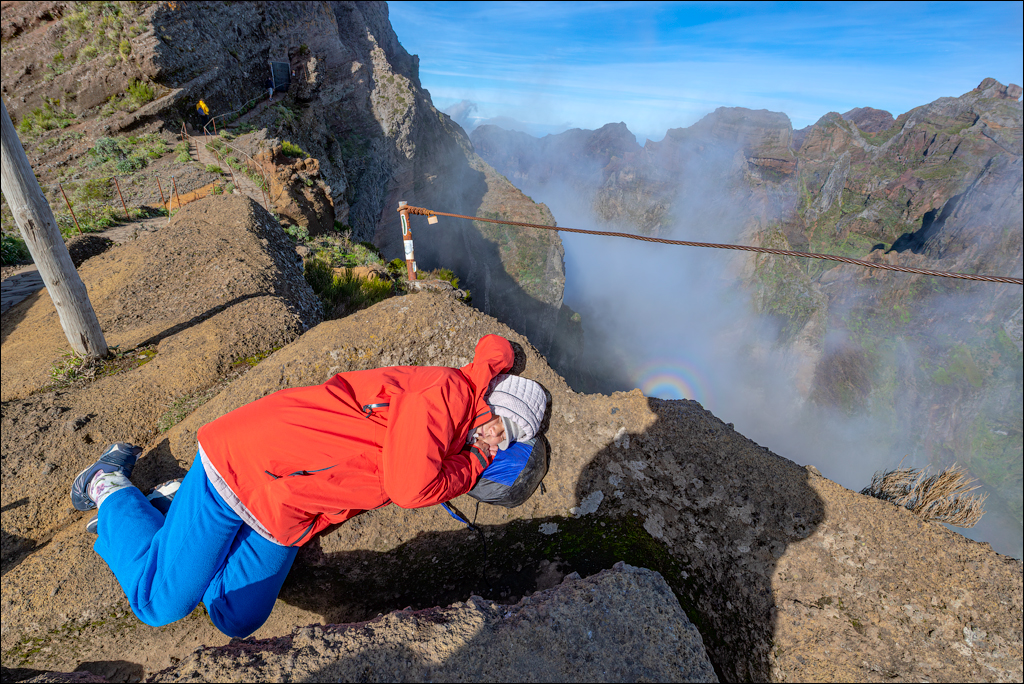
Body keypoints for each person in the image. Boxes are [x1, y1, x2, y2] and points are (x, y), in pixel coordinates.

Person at [70, 335, 547, 638]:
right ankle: (108, 486)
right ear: (493, 408)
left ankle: (179, 510)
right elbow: (408, 488)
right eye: (502, 432)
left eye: (501, 446)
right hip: (246, 465)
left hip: (286, 510)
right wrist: (476, 460)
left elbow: (495, 349)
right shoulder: (445, 393)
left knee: (235, 618)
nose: (493, 446)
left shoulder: (458, 424)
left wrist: (497, 368)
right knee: (159, 603)